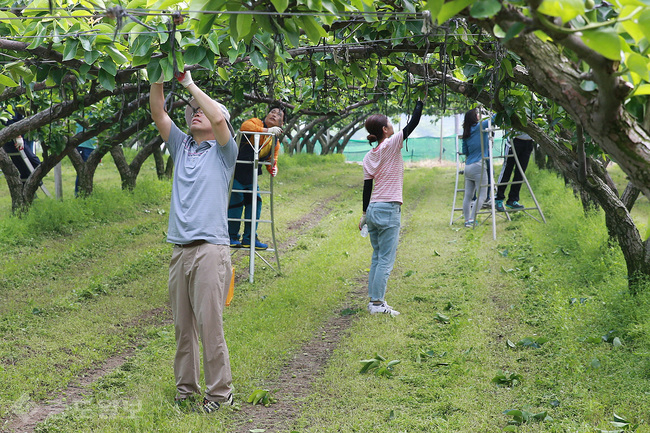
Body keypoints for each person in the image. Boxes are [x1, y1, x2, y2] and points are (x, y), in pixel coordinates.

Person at [150, 69, 238, 413]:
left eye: (202, 110)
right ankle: (185, 391)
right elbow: (158, 111)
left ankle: (220, 394)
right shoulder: (182, 145)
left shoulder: (223, 151)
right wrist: (157, 75)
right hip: (180, 249)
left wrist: (187, 82)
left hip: (210, 249)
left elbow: (216, 115)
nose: (196, 112)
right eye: (192, 111)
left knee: (209, 325)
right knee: (182, 328)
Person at [359, 99, 424, 316]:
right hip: (388, 209)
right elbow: (412, 124)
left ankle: (374, 302)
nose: (394, 126)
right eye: (390, 124)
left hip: (374, 209)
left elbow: (367, 188)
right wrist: (419, 103)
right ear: (385, 130)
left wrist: (364, 214)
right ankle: (377, 304)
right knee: (385, 259)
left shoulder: (369, 156)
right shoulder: (391, 143)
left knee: (377, 256)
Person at [228, 106, 284, 250]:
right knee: (236, 202)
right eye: (272, 112)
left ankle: (249, 238)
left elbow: (272, 159)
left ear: (281, 124)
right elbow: (245, 126)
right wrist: (267, 131)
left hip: (252, 177)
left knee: (255, 203)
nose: (274, 115)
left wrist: (273, 168)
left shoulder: (275, 142)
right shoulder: (257, 124)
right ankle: (231, 236)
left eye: (278, 115)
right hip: (236, 173)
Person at [461, 108, 494, 228]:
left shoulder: (466, 131)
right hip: (479, 165)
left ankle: (466, 220)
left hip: (468, 166)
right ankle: (472, 219)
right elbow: (495, 118)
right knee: (482, 195)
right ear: (474, 117)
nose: (480, 116)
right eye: (478, 114)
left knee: (468, 196)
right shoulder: (481, 126)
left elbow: (465, 151)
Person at [495, 132, 535, 211]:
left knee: (520, 172)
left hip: (528, 141)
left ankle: (513, 199)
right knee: (507, 170)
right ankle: (499, 198)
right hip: (514, 141)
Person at [2, 108, 41, 183]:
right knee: (35, 162)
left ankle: (26, 188)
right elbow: (8, 120)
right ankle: (35, 182)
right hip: (14, 140)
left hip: (13, 139)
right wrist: (18, 136)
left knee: (23, 168)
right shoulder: (11, 104)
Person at [74, 120, 97, 196]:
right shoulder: (80, 112)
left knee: (88, 171)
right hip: (82, 146)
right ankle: (78, 193)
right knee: (81, 171)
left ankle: (85, 192)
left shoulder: (97, 113)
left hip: (91, 147)